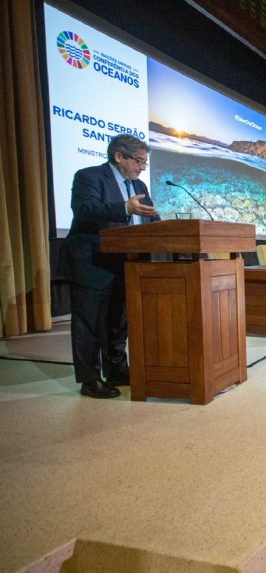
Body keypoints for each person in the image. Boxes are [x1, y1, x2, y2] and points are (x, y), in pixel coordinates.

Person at [59, 134, 160, 399]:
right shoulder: (89, 177)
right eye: (138, 161)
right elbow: (84, 209)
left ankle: (116, 369)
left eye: (144, 163)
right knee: (89, 324)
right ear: (118, 156)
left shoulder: (139, 185)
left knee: (118, 321)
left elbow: (150, 219)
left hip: (125, 262)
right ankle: (90, 379)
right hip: (91, 261)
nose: (141, 167)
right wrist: (125, 207)